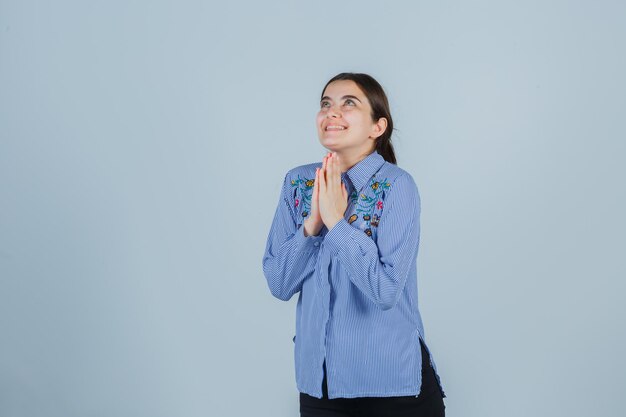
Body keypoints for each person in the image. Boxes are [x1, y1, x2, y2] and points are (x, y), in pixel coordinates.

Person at [262, 72, 447, 417]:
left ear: (378, 127)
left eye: (349, 103)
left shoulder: (397, 186)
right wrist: (312, 224)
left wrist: (335, 222)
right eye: (325, 104)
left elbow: (385, 291)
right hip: (320, 389)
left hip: (393, 390)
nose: (332, 112)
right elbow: (279, 283)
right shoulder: (299, 182)